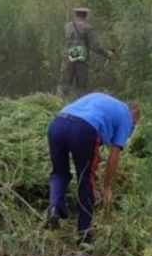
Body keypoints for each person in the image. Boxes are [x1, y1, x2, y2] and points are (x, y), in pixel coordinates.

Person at [46, 92, 140, 244]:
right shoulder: (126, 118)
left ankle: (55, 207)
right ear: (133, 116)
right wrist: (106, 187)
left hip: (57, 124)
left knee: (59, 172)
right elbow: (113, 158)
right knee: (86, 181)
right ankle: (84, 234)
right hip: (83, 130)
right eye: (134, 126)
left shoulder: (102, 99)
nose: (131, 130)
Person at [57, 7, 116, 98]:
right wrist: (107, 53)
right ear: (85, 15)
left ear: (75, 15)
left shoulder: (67, 26)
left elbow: (62, 42)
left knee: (64, 86)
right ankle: (80, 108)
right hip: (81, 61)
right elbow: (94, 46)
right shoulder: (87, 27)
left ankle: (56, 105)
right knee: (81, 88)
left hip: (67, 59)